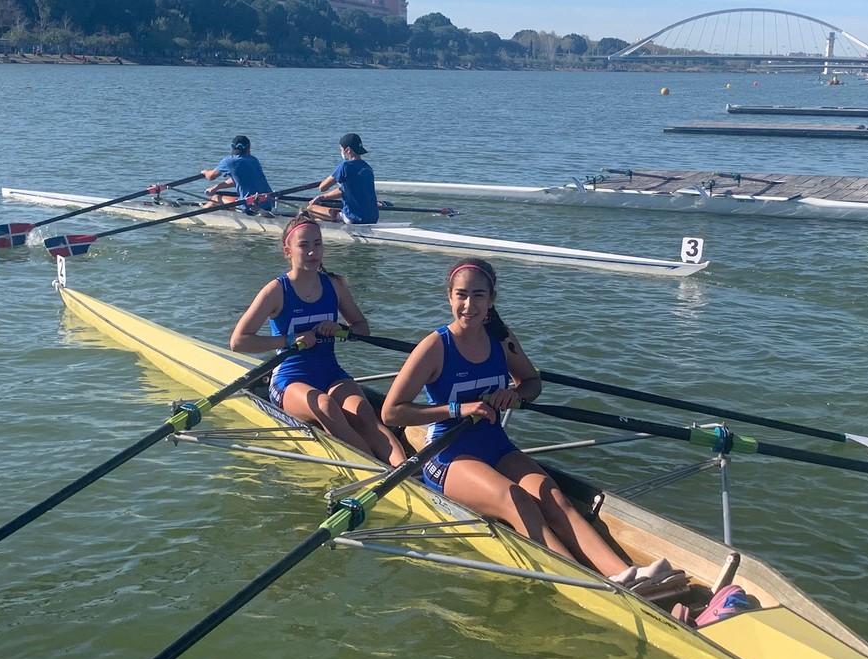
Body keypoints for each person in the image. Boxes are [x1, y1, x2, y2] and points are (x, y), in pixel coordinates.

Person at [381, 258, 666, 588]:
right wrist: (457, 408)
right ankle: (581, 581)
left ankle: (623, 573)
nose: (469, 305)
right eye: (461, 295)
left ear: (492, 299)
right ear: (449, 297)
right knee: (514, 498)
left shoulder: (501, 339)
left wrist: (514, 395)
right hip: (447, 454)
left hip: (496, 445)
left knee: (552, 497)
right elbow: (392, 412)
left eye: (478, 295)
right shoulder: (435, 346)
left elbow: (531, 382)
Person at [231, 211, 405, 467]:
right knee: (325, 406)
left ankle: (404, 471)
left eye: (317, 244)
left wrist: (340, 329)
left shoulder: (334, 285)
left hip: (331, 373)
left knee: (366, 416)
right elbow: (239, 342)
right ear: (288, 251)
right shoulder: (276, 291)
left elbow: (361, 328)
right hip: (289, 380)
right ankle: (377, 469)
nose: (313, 252)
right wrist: (290, 340)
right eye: (304, 246)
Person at [306, 133, 379, 225]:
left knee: (311, 208)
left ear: (347, 150)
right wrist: (322, 198)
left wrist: (331, 176)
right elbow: (344, 191)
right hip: (373, 218)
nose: (341, 152)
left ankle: (317, 227)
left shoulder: (345, 166)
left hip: (353, 219)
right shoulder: (367, 168)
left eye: (341, 149)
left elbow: (322, 188)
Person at [202, 134, 275, 211]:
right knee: (230, 201)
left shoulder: (229, 161)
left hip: (249, 205)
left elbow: (211, 176)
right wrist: (216, 187)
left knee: (216, 198)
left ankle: (197, 215)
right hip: (268, 202)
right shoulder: (254, 160)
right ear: (249, 148)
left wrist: (205, 172)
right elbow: (239, 180)